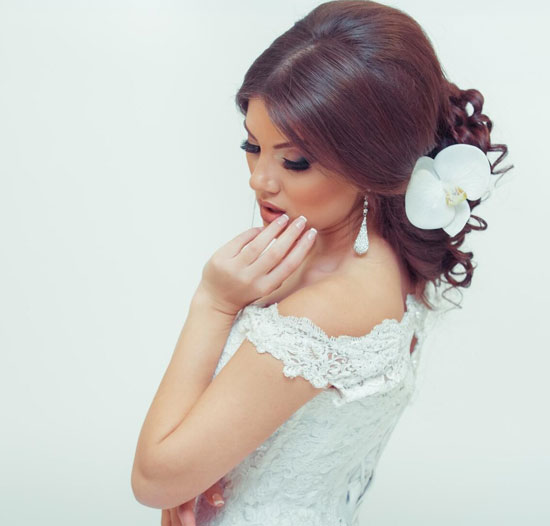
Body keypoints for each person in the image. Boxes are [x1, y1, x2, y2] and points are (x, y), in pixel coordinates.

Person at [131, 1, 512, 525]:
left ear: (371, 162)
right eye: (251, 144)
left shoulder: (325, 310)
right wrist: (211, 459)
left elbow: (152, 480)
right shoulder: (377, 257)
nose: (259, 179)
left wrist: (213, 303)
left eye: (294, 161)